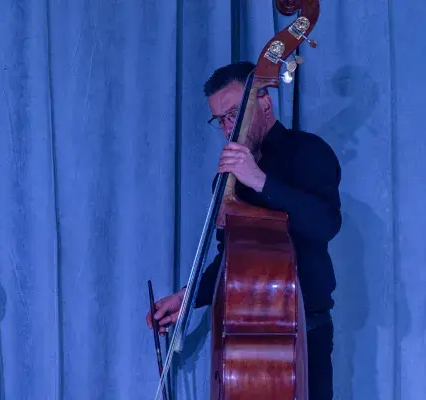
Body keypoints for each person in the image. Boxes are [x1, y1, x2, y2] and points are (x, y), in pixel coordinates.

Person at [146, 61, 341, 399]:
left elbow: (325, 225)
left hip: (304, 333)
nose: (228, 128)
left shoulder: (308, 152)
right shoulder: (229, 181)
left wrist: (260, 180)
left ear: (264, 102)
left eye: (234, 114)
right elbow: (231, 258)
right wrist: (187, 297)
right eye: (220, 119)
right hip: (245, 340)